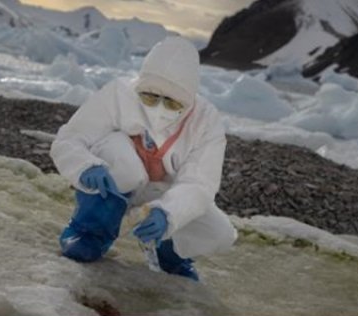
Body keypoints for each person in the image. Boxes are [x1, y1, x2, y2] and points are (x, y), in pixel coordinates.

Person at [49, 36, 237, 281]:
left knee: (219, 232)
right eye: (149, 96)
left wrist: (169, 214)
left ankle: (168, 254)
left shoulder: (206, 122)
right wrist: (85, 165)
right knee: (121, 154)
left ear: (189, 99)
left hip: (160, 195)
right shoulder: (118, 94)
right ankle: (88, 232)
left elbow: (200, 184)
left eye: (171, 102)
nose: (159, 108)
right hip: (114, 182)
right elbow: (70, 139)